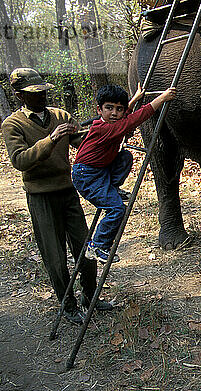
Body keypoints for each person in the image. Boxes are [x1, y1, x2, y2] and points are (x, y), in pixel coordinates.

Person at [2, 68, 113, 325]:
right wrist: (51, 139)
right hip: (41, 196)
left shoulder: (60, 115)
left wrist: (112, 127)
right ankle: (68, 304)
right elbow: (20, 160)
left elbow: (83, 141)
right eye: (34, 93)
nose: (41, 97)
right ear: (20, 96)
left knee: (85, 247)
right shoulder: (13, 124)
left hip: (67, 191)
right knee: (55, 255)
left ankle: (89, 296)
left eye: (43, 91)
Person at [72, 84, 177, 264]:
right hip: (87, 175)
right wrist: (161, 98)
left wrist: (135, 98)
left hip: (101, 170)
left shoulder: (111, 123)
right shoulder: (104, 128)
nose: (114, 113)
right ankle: (97, 245)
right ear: (99, 109)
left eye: (119, 109)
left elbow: (126, 116)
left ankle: (112, 187)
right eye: (109, 108)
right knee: (116, 209)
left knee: (125, 156)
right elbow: (134, 119)